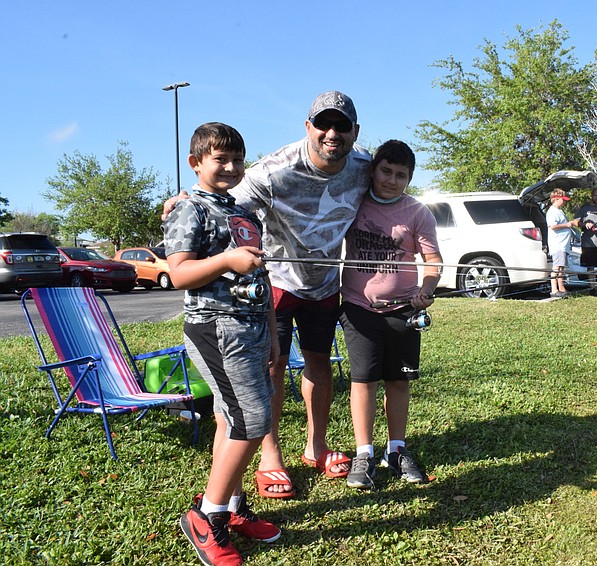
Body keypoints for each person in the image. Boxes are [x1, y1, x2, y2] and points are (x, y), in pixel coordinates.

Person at [163, 91, 371, 497]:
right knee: (272, 367)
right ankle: (270, 456)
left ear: (354, 132)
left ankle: (317, 447)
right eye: (323, 124)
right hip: (275, 281)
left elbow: (391, 188)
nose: (332, 133)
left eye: (342, 126)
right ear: (308, 127)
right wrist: (183, 199)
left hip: (325, 284)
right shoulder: (273, 170)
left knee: (319, 364)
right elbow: (221, 203)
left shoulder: (364, 165)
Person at [164, 122, 281, 565]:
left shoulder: (243, 212)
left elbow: (261, 275)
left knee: (230, 417)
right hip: (217, 327)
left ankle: (230, 507)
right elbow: (178, 273)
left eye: (237, 159)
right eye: (220, 159)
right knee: (252, 420)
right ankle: (205, 517)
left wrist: (272, 335)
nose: (231, 167)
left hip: (252, 328)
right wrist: (227, 259)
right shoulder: (188, 209)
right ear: (196, 163)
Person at [339, 140, 441, 489]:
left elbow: (433, 260)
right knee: (363, 379)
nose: (392, 180)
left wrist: (426, 288)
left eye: (401, 175)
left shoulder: (417, 213)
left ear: (409, 179)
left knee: (398, 380)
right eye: (386, 171)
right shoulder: (353, 203)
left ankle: (396, 450)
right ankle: (364, 453)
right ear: (373, 170)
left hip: (404, 310)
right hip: (357, 307)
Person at [569, 188, 597, 296]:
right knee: (591, 267)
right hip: (588, 243)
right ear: (591, 195)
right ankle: (593, 288)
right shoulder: (584, 208)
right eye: (596, 196)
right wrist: (585, 225)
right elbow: (574, 221)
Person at [545, 189, 572, 299]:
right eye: (563, 199)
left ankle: (561, 288)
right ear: (556, 199)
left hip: (563, 245)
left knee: (561, 268)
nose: (564, 202)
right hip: (558, 244)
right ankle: (554, 289)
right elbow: (552, 226)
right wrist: (567, 225)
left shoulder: (559, 211)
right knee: (556, 268)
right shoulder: (552, 212)